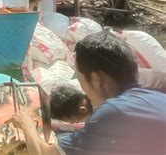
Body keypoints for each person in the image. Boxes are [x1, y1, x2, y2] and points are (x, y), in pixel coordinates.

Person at [11, 30, 166, 154]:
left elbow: (42, 154)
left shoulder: (114, 113)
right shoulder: (158, 98)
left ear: (96, 79)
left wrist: (26, 123)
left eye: (81, 80)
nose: (83, 89)